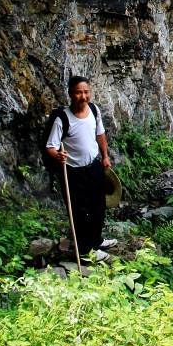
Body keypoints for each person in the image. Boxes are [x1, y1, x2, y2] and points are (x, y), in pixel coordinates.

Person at [45, 76, 117, 262]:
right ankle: (85, 250)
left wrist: (105, 156)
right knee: (80, 211)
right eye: (78, 92)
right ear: (70, 94)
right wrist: (58, 156)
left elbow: (100, 133)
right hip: (73, 172)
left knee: (98, 205)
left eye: (86, 92)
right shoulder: (62, 118)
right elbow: (51, 147)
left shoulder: (94, 109)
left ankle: (96, 240)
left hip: (93, 166)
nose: (83, 96)